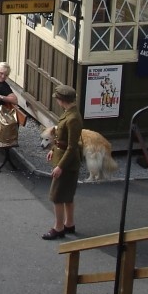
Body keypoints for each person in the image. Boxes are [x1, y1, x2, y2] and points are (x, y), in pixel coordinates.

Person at [42, 84, 83, 240]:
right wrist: (53, 149)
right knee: (67, 196)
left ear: (62, 100)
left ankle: (58, 228)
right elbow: (62, 138)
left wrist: (60, 166)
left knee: (57, 196)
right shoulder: (69, 113)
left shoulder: (72, 118)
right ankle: (69, 224)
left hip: (67, 163)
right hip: (63, 157)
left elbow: (72, 147)